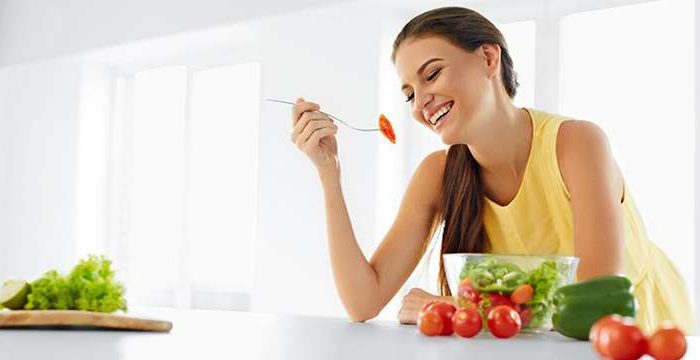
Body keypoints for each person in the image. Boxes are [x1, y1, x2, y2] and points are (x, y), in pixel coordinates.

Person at [288, 6, 693, 334]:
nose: (420, 103)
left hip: (638, 336)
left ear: (487, 57)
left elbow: (594, 305)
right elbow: (363, 301)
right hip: (535, 348)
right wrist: (329, 172)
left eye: (432, 74)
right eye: (409, 92)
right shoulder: (438, 174)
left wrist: (462, 308)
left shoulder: (577, 143)